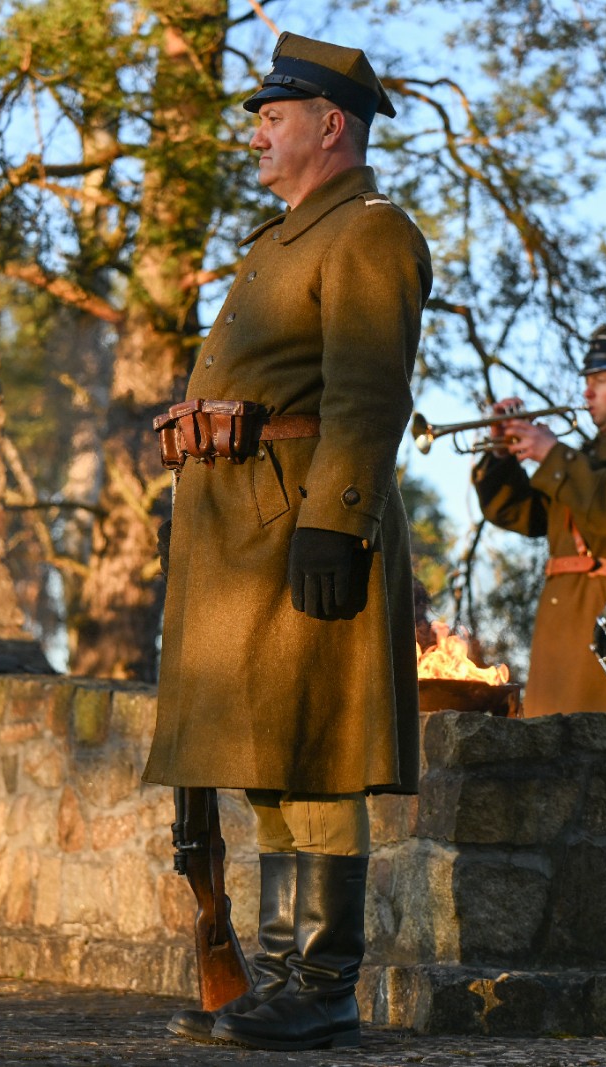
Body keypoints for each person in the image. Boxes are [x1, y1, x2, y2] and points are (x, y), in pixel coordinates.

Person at [144, 31, 430, 1052]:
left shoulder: (369, 233)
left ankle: (320, 985)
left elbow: (368, 393)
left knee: (317, 757)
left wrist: (337, 522)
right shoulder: (280, 240)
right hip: (241, 534)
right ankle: (277, 980)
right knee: (265, 758)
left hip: (303, 521)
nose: (257, 134)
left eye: (273, 117)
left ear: (330, 125)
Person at [471, 327, 606, 719]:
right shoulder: (582, 465)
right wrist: (501, 456)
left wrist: (554, 455)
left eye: (600, 381)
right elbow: (516, 513)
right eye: (587, 381)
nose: (587, 393)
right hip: (559, 631)